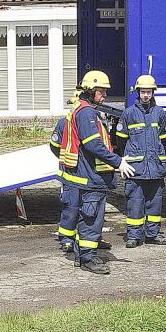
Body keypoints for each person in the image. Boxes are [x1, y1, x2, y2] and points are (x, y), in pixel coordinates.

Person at [57, 70, 137, 274]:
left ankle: (82, 253)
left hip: (85, 175)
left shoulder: (81, 110)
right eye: (101, 92)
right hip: (90, 177)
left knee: (87, 216)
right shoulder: (86, 113)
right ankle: (88, 258)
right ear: (90, 91)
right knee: (91, 219)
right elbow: (93, 145)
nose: (105, 96)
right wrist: (118, 162)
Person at [51, 90, 111, 255]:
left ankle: (89, 239)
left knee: (88, 211)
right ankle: (67, 239)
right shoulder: (65, 123)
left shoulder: (95, 118)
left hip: (85, 175)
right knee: (71, 208)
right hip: (72, 175)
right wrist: (71, 160)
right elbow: (55, 146)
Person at [115, 74, 166, 247]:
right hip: (136, 169)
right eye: (143, 92)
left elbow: (162, 137)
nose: (146, 95)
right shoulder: (129, 113)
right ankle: (134, 236)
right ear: (137, 93)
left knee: (155, 204)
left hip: (155, 168)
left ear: (153, 93)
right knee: (135, 204)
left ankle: (153, 234)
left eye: (149, 92)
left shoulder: (160, 113)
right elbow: (121, 139)